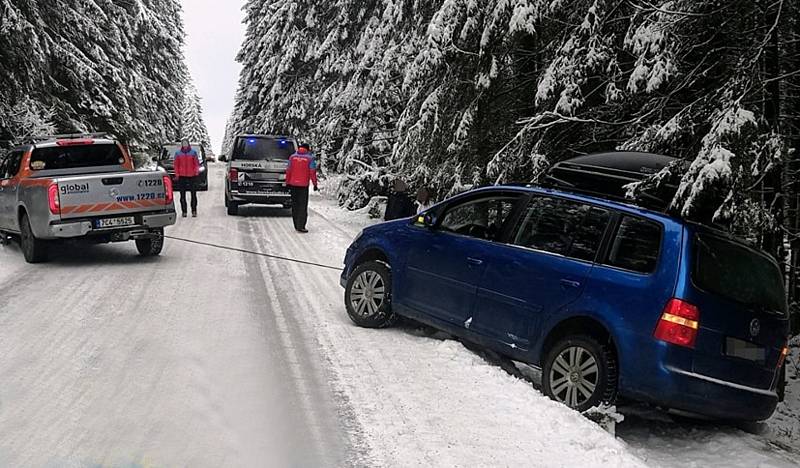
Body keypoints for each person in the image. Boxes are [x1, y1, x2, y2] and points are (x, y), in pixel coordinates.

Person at [285, 143, 318, 233]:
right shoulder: (310, 159)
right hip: (303, 186)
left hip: (293, 185)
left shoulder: (292, 157)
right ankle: (301, 226)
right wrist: (315, 184)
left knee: (295, 205)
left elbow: (288, 170)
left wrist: (287, 182)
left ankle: (296, 225)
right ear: (307, 149)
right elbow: (312, 172)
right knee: (302, 206)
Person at [173, 138, 201, 218]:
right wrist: (177, 174)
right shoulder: (178, 153)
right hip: (182, 176)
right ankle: (184, 211)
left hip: (192, 176)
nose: (185, 145)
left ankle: (194, 210)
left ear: (188, 144)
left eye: (186, 143)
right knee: (182, 195)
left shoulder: (193, 153)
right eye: (183, 143)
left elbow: (196, 163)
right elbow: (176, 164)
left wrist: (196, 172)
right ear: (181, 144)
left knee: (193, 194)